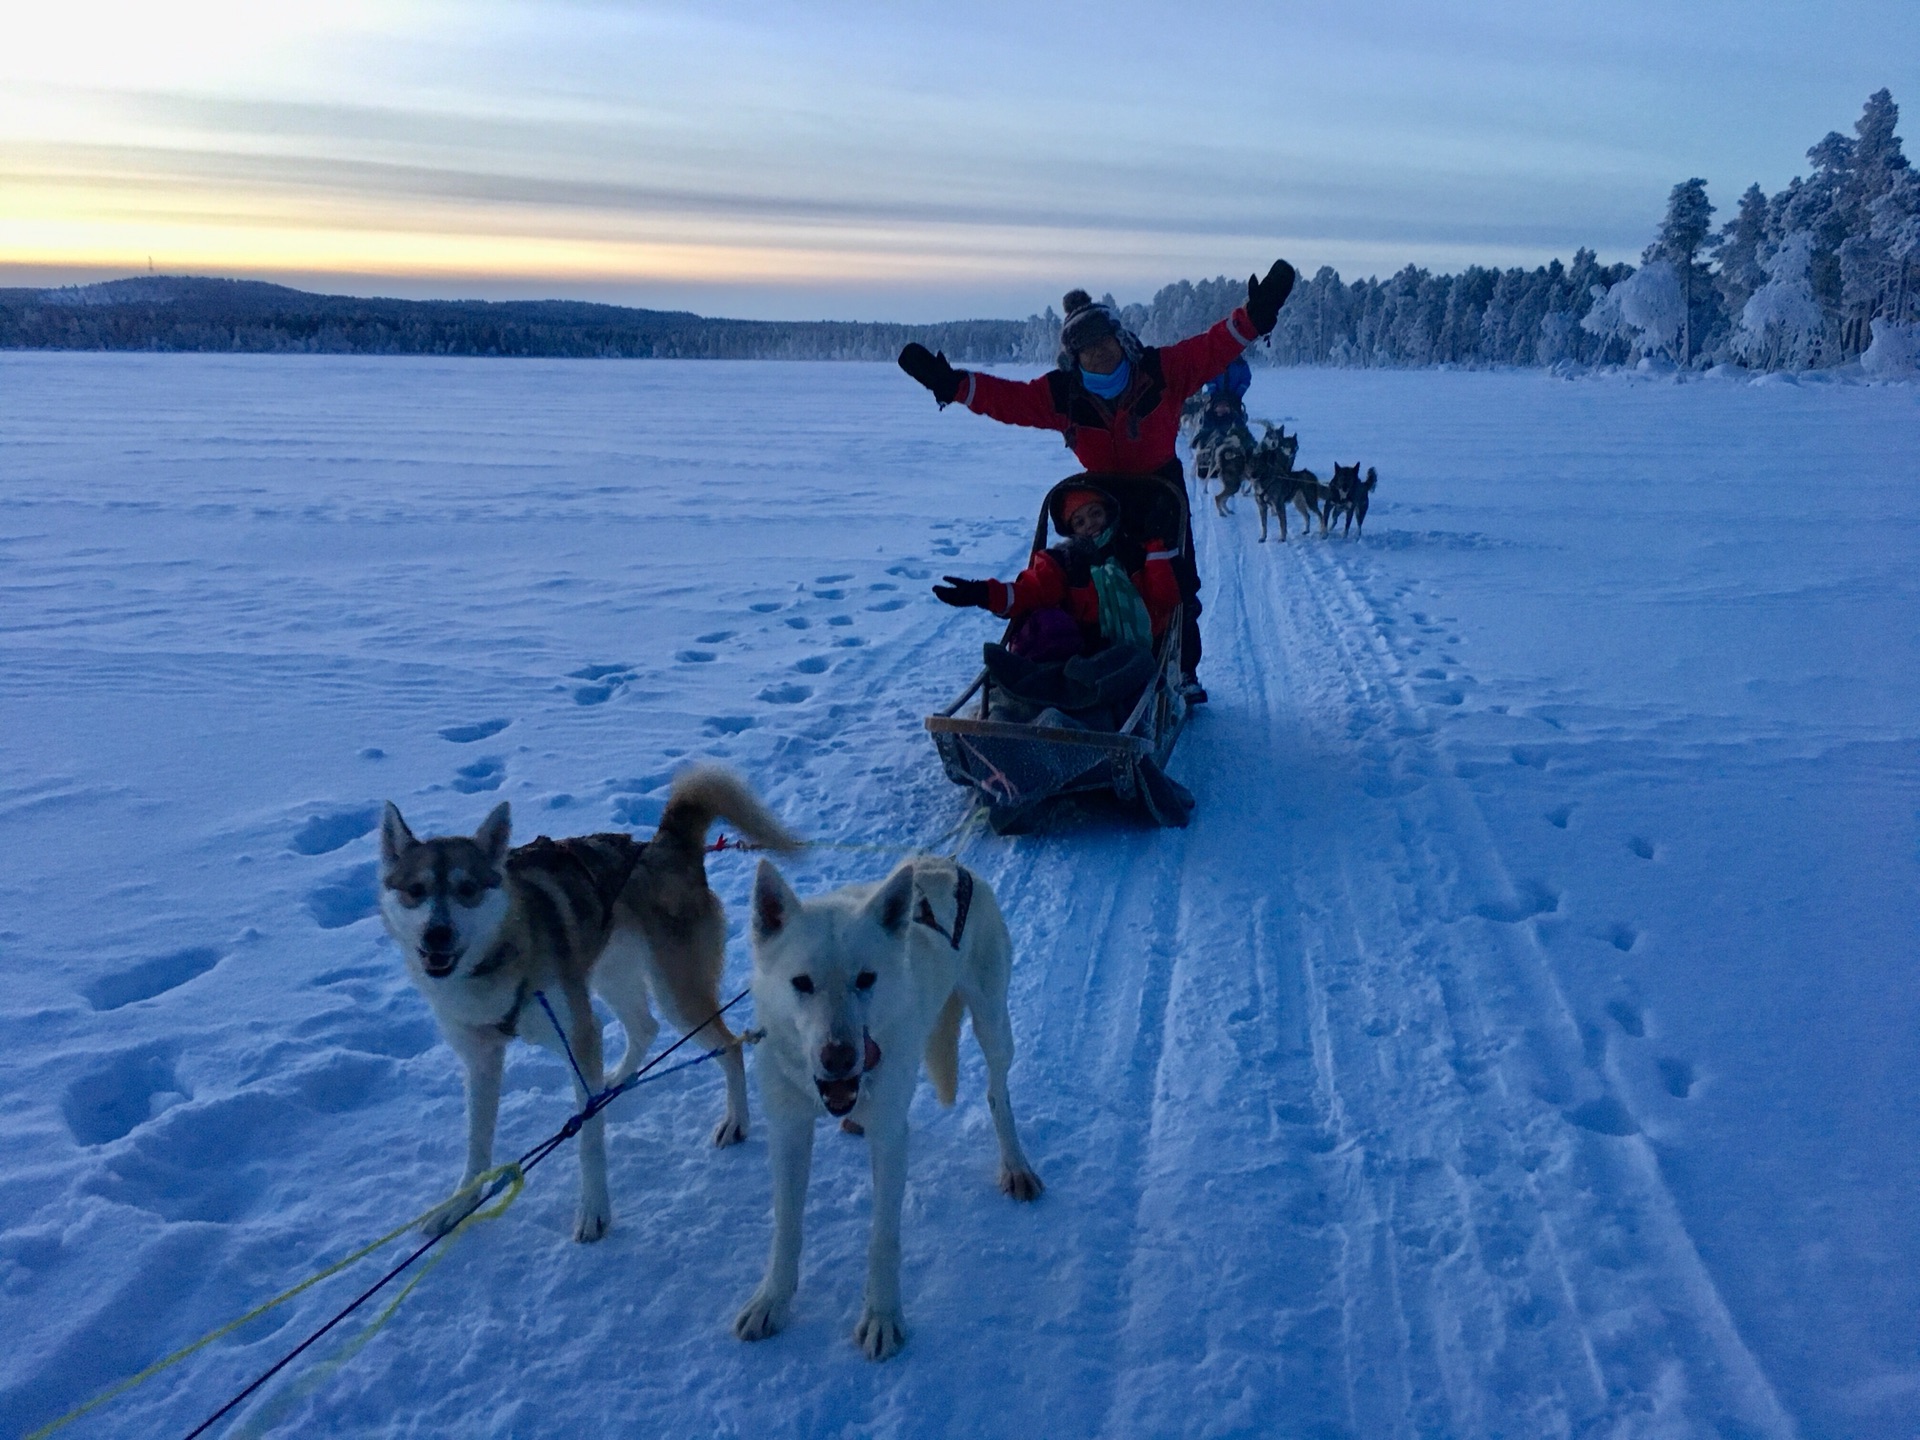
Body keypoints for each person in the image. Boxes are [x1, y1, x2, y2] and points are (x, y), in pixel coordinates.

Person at [898, 259, 1296, 704]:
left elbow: (1213, 346)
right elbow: (1008, 400)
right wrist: (952, 384)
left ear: (1119, 338)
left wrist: (1254, 317)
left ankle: (1182, 669)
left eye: (1104, 341)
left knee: (1175, 584)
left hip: (1158, 494)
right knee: (1088, 580)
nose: (1099, 353)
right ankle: (1091, 657)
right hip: (1097, 495)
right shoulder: (1063, 394)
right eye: (1087, 348)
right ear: (1076, 357)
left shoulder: (1162, 370)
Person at [933, 485, 1177, 729]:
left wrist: (1156, 545)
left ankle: (1087, 726)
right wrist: (983, 593)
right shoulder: (1065, 561)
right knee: (1036, 664)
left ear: (1109, 513)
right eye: (1079, 521)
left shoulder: (1135, 553)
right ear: (1072, 529)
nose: (1089, 524)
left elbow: (1165, 598)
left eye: (1095, 513)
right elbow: (1029, 592)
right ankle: (1029, 721)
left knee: (1135, 664)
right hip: (1077, 655)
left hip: (1126, 653)